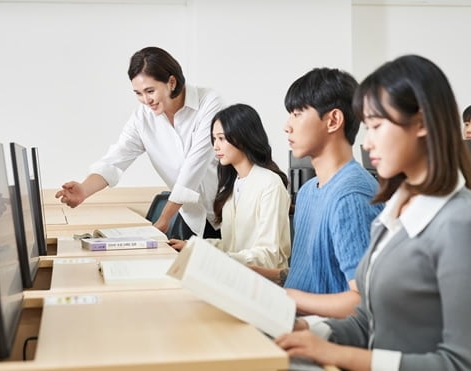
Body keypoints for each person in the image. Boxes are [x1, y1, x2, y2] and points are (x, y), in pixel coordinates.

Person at [276, 55, 471, 370]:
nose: (367, 143)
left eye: (377, 126)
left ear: (421, 123)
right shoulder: (397, 209)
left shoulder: (460, 224)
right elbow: (370, 316)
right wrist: (310, 330)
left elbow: (461, 364)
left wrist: (337, 354)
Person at [250, 68, 383, 319]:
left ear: (333, 120)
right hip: (290, 319)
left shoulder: (351, 196)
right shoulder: (310, 190)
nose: (286, 126)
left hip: (322, 336)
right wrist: (258, 274)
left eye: (297, 114)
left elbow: (362, 302)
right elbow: (318, 272)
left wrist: (284, 298)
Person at [55, 46, 223, 239]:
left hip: (227, 213)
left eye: (150, 91)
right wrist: (84, 190)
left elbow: (195, 166)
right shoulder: (143, 118)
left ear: (171, 82)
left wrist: (165, 218)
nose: (146, 100)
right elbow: (116, 158)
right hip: (193, 217)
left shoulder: (209, 102)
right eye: (138, 93)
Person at [169, 104, 291, 269]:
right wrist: (193, 247)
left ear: (243, 137)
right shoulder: (232, 185)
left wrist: (211, 257)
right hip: (235, 275)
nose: (215, 146)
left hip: (262, 283)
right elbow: (231, 246)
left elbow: (268, 255)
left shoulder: (270, 184)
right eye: (214, 139)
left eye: (222, 138)